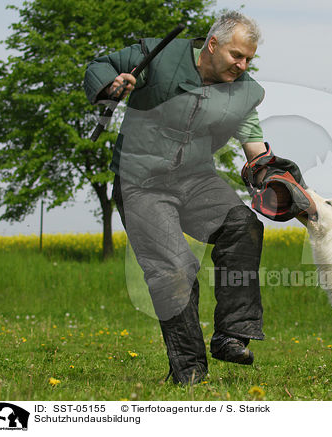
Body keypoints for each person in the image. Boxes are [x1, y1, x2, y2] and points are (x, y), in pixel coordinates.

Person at [84, 11, 269, 385]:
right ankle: (189, 370)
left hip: (196, 179)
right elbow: (101, 67)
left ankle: (231, 334)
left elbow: (255, 147)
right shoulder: (159, 55)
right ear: (212, 45)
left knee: (242, 224)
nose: (243, 65)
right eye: (237, 55)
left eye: (249, 58)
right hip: (141, 182)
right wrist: (112, 87)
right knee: (175, 269)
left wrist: (274, 178)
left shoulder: (242, 90)